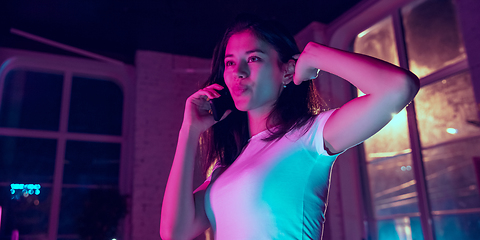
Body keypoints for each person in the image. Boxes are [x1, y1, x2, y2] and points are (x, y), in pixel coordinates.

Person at [160, 15, 419, 240]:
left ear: (286, 72)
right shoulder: (227, 165)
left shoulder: (309, 135)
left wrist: (316, 55)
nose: (237, 72)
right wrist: (189, 131)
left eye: (253, 58)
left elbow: (398, 89)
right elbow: (174, 231)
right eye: (229, 62)